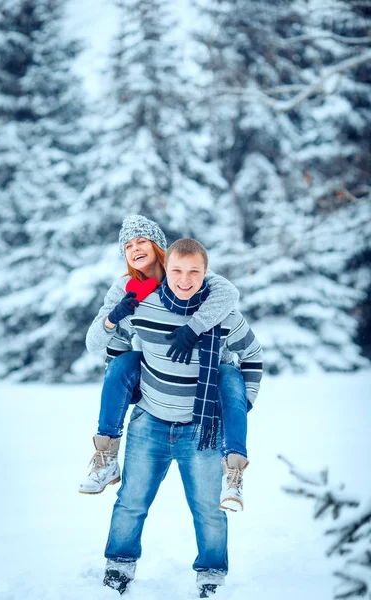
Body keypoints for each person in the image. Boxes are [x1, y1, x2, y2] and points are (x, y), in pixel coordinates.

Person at [85, 237, 263, 597]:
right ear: (166, 269)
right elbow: (115, 353)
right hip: (149, 422)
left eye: (194, 272)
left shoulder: (222, 313)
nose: (185, 279)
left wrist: (241, 406)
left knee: (208, 509)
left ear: (205, 273)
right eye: (178, 271)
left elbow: (253, 356)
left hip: (201, 429)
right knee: (131, 501)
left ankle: (211, 576)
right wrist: (130, 386)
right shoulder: (144, 305)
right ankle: (118, 568)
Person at [80, 215, 256, 512]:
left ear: (158, 245)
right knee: (121, 366)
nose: (135, 248)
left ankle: (234, 473)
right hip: (158, 381)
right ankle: (106, 459)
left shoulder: (183, 272)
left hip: (207, 378)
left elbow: (229, 292)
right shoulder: (126, 288)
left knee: (229, 380)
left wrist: (193, 327)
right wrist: (114, 317)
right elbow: (94, 343)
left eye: (142, 241)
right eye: (128, 246)